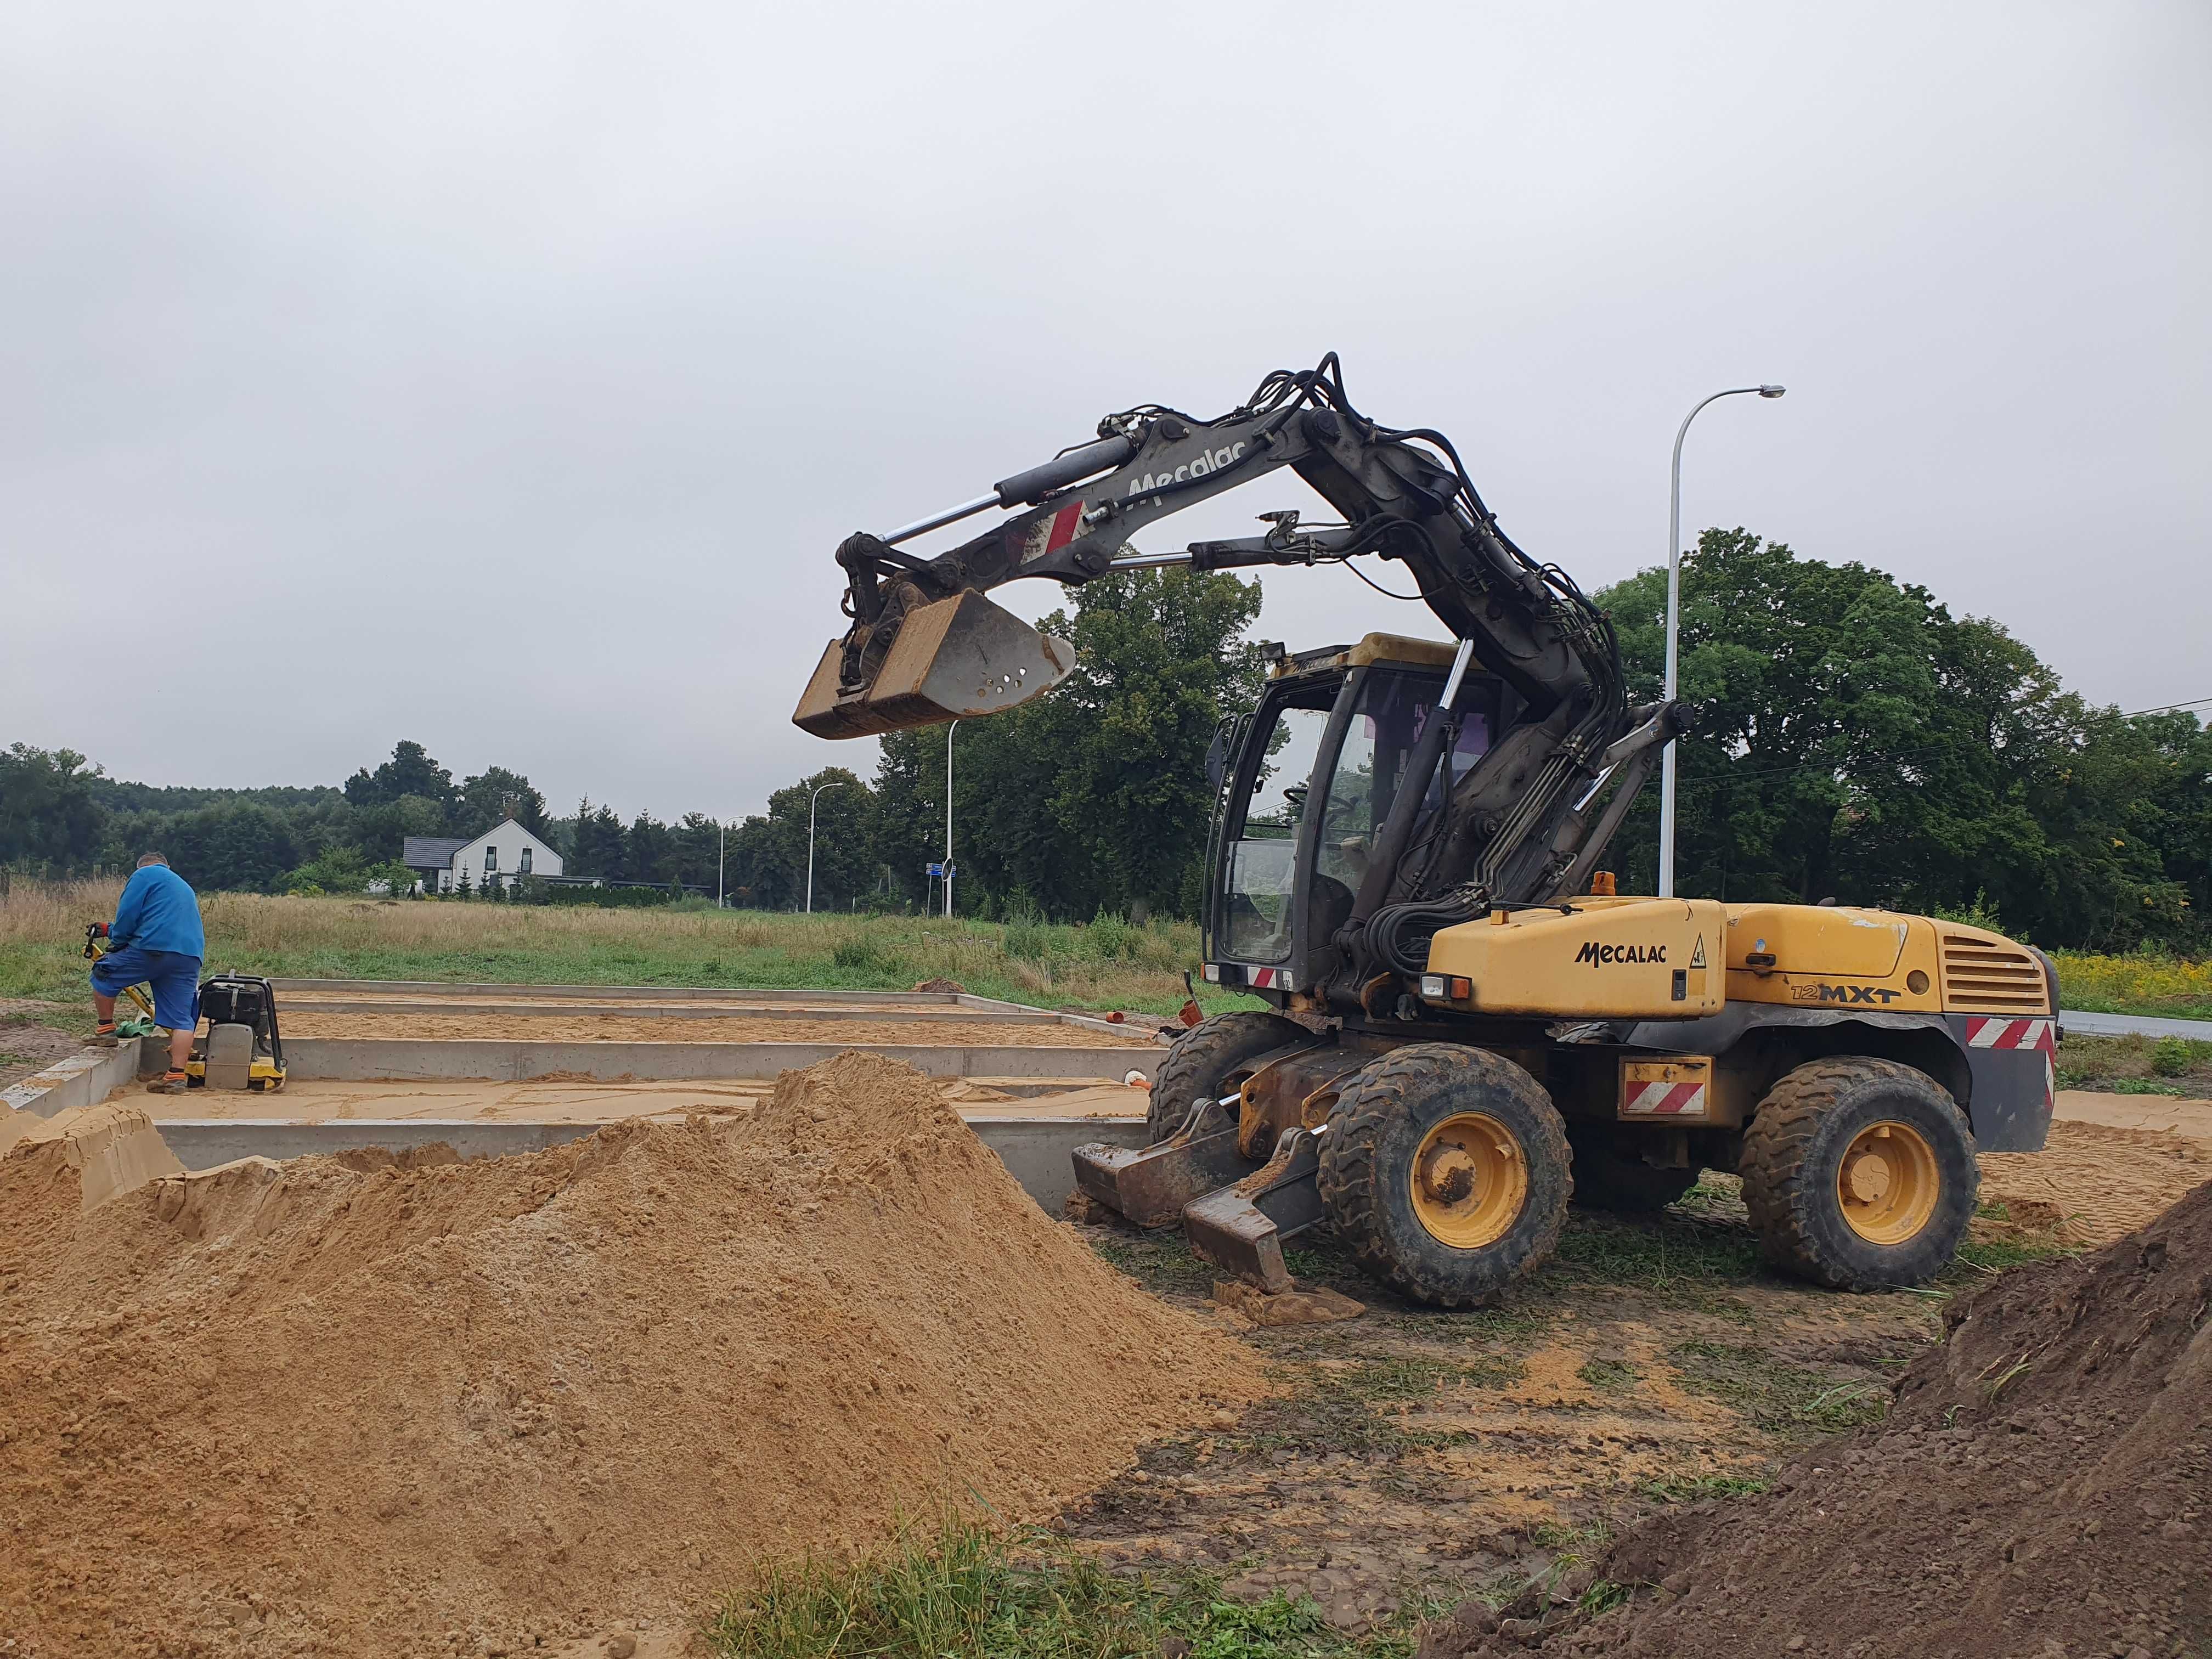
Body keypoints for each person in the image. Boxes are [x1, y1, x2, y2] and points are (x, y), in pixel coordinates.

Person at [88, 853, 205, 1093]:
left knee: (103, 973)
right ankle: (176, 1076)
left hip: (153, 949)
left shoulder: (144, 874)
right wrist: (109, 929)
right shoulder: (181, 885)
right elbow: (159, 917)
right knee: (182, 1018)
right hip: (189, 956)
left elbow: (129, 915)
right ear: (167, 865)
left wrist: (116, 937)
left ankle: (106, 1030)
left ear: (142, 866)